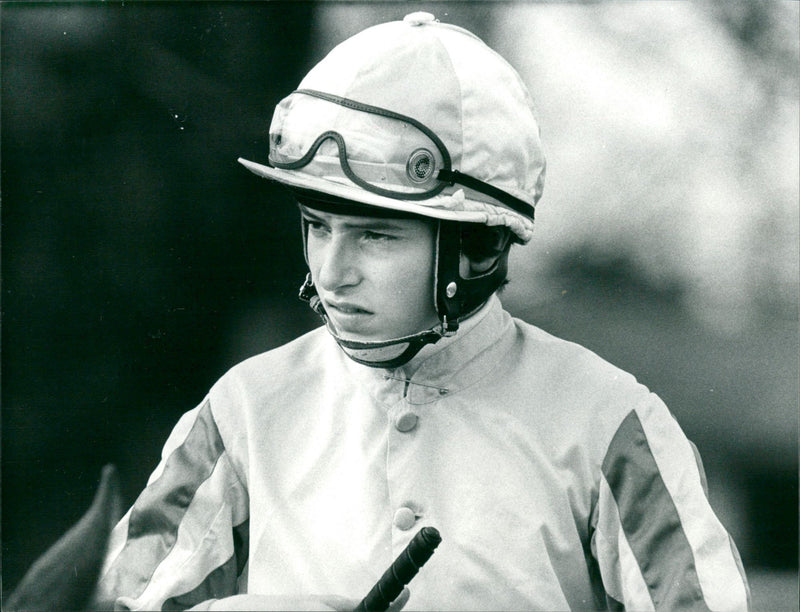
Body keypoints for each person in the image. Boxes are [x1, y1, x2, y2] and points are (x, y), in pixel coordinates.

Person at [95, 12, 750, 611]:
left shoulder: (613, 424)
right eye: (318, 225)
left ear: (476, 247)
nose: (331, 271)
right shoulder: (240, 411)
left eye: (374, 236)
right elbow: (121, 604)